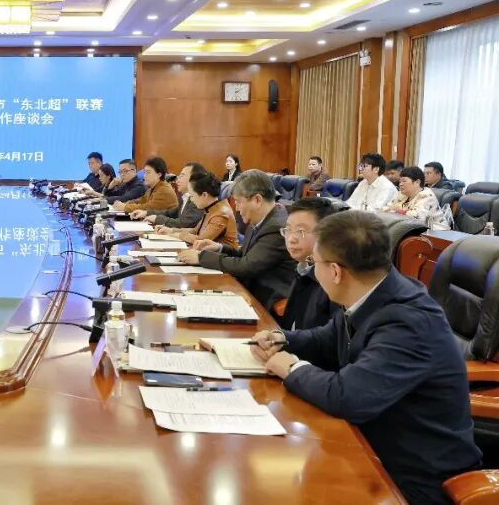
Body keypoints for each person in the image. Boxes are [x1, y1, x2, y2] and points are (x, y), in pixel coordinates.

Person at [249, 211, 481, 503]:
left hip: (413, 478)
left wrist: (292, 368)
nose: (312, 271)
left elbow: (348, 397)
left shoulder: (407, 322)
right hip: (369, 444)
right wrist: (284, 338)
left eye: (315, 263)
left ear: (335, 272)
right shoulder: (374, 292)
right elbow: (328, 338)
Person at [178, 169, 296, 308]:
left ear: (257, 200)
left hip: (264, 300)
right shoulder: (261, 219)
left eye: (238, 202)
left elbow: (246, 266)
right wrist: (219, 248)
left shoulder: (275, 227)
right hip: (248, 290)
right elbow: (247, 255)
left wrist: (201, 258)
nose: (237, 209)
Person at [277, 197, 337, 331]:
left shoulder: (332, 281)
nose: (291, 239)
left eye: (301, 232)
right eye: (288, 230)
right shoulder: (302, 268)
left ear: (325, 234)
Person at [156, 171, 237, 249]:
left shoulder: (221, 213)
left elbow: (201, 240)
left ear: (204, 195)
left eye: (192, 196)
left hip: (222, 256)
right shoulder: (211, 207)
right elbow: (195, 230)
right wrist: (172, 230)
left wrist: (178, 235)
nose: (191, 200)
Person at [136, 162, 204, 228]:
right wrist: (147, 213)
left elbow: (184, 224)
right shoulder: (185, 197)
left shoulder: (198, 200)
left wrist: (157, 219)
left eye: (182, 176)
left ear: (195, 179)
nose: (177, 181)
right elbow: (170, 213)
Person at [382, 166, 449, 230]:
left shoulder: (427, 196)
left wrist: (393, 212)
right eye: (400, 181)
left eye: (404, 181)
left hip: (435, 232)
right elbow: (387, 208)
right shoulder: (402, 194)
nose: (400, 184)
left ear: (417, 182)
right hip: (409, 228)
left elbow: (415, 217)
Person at [114, 157, 179, 214]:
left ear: (159, 174)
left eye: (148, 172)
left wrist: (125, 207)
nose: (145, 176)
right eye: (144, 172)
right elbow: (140, 201)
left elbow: (148, 208)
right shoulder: (153, 188)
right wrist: (125, 204)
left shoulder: (164, 190)